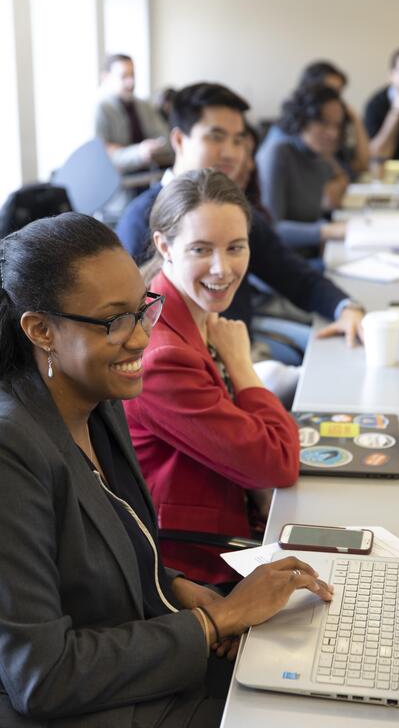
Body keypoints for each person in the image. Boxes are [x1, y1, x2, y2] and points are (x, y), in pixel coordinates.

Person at [0, 211, 333, 727]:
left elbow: (112, 547)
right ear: (41, 330)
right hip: (94, 707)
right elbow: (43, 676)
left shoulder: (97, 399)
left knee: (321, 679)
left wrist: (175, 587)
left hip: (145, 660)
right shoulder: (11, 451)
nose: (140, 339)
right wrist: (216, 618)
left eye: (143, 310)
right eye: (115, 321)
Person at [125, 169, 300, 584]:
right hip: (197, 561)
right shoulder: (162, 354)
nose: (222, 269)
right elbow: (276, 465)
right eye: (202, 249)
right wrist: (243, 367)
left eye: (236, 247)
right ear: (164, 246)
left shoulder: (185, 308)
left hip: (236, 500)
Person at [116, 82, 365, 366]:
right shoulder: (140, 219)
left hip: (241, 345)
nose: (231, 153)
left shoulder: (231, 209)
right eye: (216, 137)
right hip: (193, 364)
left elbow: (295, 276)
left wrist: (346, 308)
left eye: (238, 140)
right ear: (179, 141)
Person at [256, 85, 349, 247]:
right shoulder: (277, 152)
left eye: (337, 125)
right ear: (302, 119)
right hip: (283, 262)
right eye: (323, 123)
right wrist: (328, 231)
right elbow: (271, 228)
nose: (333, 133)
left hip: (310, 254)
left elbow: (334, 195)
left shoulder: (317, 151)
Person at [95, 53, 172, 174]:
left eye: (132, 75)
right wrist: (139, 152)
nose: (131, 82)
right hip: (121, 185)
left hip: (149, 176)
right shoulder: (101, 109)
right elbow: (101, 155)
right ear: (106, 77)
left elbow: (164, 137)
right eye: (124, 76)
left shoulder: (143, 105)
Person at [298, 60, 369, 175]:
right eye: (329, 92)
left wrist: (355, 119)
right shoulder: (301, 135)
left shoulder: (335, 126)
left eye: (338, 94)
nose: (336, 100)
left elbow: (362, 165)